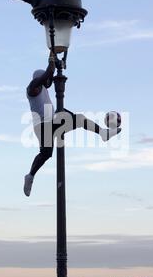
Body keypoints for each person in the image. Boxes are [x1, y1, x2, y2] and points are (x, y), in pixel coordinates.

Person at [23, 52, 121, 196]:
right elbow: (48, 74)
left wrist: (55, 64)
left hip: (49, 122)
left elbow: (49, 79)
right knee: (78, 119)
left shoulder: (43, 86)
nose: (45, 83)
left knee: (46, 154)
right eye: (42, 80)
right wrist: (52, 53)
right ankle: (102, 133)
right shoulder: (31, 88)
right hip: (43, 126)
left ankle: (30, 176)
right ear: (37, 80)